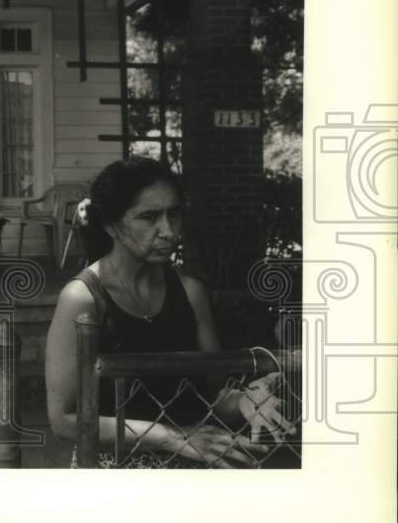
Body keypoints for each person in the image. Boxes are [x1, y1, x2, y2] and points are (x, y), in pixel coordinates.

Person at [45, 156, 292, 468]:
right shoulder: (83, 298)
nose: (168, 231)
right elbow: (65, 420)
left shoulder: (189, 292)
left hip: (194, 455)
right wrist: (169, 436)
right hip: (115, 464)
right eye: (149, 217)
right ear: (111, 225)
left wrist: (246, 399)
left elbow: (212, 395)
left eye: (173, 215)